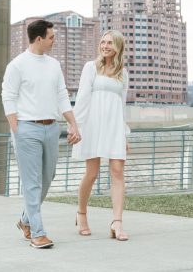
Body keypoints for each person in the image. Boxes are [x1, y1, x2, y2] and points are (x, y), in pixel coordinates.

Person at [1, 18, 81, 249]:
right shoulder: (17, 65)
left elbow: (62, 95)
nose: (54, 40)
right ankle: (37, 232)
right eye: (51, 37)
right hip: (27, 128)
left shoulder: (54, 65)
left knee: (48, 177)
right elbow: (8, 96)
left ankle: (25, 220)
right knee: (32, 183)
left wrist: (73, 124)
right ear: (39, 39)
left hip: (52, 127)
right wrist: (16, 127)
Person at [72, 30, 131, 241]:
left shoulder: (123, 73)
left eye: (110, 43)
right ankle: (81, 213)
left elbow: (122, 107)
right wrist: (76, 127)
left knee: (117, 171)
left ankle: (117, 222)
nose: (105, 46)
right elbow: (82, 98)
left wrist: (124, 134)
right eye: (103, 42)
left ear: (118, 47)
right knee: (92, 173)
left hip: (114, 125)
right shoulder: (91, 68)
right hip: (93, 124)